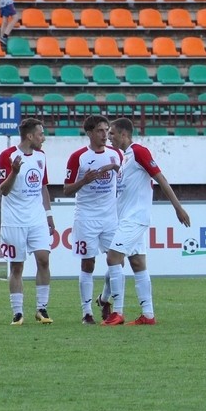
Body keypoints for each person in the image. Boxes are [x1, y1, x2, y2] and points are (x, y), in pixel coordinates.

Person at [102, 117, 190, 327]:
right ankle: (148, 315)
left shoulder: (139, 151)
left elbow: (160, 178)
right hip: (127, 218)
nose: (109, 137)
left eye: (112, 133)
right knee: (138, 263)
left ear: (124, 134)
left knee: (113, 258)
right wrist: (114, 167)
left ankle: (117, 312)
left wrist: (178, 207)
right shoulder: (126, 157)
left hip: (134, 218)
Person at [62, 115, 122, 324]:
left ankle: (104, 299)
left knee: (117, 261)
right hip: (86, 218)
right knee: (88, 263)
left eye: (106, 130)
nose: (105, 135)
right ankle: (87, 312)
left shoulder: (116, 154)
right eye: (99, 131)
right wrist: (84, 181)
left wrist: (115, 168)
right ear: (89, 133)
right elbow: (66, 189)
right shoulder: (78, 157)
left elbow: (124, 178)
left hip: (110, 217)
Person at [0, 117, 54, 326]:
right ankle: (18, 312)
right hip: (14, 220)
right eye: (40, 134)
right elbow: (3, 190)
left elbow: (43, 186)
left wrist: (49, 215)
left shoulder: (41, 156)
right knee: (17, 266)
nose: (43, 138)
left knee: (44, 260)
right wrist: (14, 172)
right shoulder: (7, 156)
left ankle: (41, 308)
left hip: (37, 218)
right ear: (30, 136)